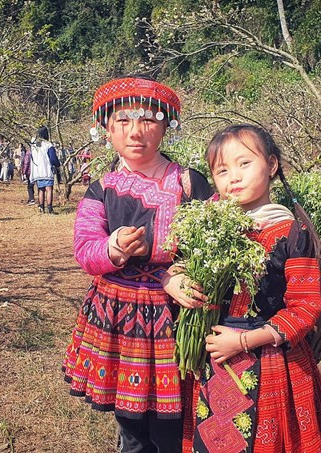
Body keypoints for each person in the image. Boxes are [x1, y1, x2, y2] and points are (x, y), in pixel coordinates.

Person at [166, 124, 321, 453]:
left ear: (272, 166)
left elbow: (305, 310)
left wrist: (243, 341)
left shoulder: (291, 232)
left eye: (244, 164)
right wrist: (174, 279)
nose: (233, 177)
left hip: (268, 360)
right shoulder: (209, 226)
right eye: (221, 170)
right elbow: (179, 263)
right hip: (212, 358)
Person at [62, 76, 214, 453]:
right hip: (117, 316)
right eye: (123, 121)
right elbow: (85, 248)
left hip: (174, 315)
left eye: (147, 119)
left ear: (166, 127)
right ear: (107, 130)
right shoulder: (101, 188)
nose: (135, 132)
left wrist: (177, 274)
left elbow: (213, 247)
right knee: (131, 425)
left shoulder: (189, 183)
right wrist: (113, 248)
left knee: (172, 421)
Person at [29, 126, 61, 214]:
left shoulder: (34, 145)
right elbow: (53, 158)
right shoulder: (48, 145)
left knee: (41, 189)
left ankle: (41, 207)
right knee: (49, 189)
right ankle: (50, 208)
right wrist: (58, 164)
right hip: (46, 170)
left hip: (37, 171)